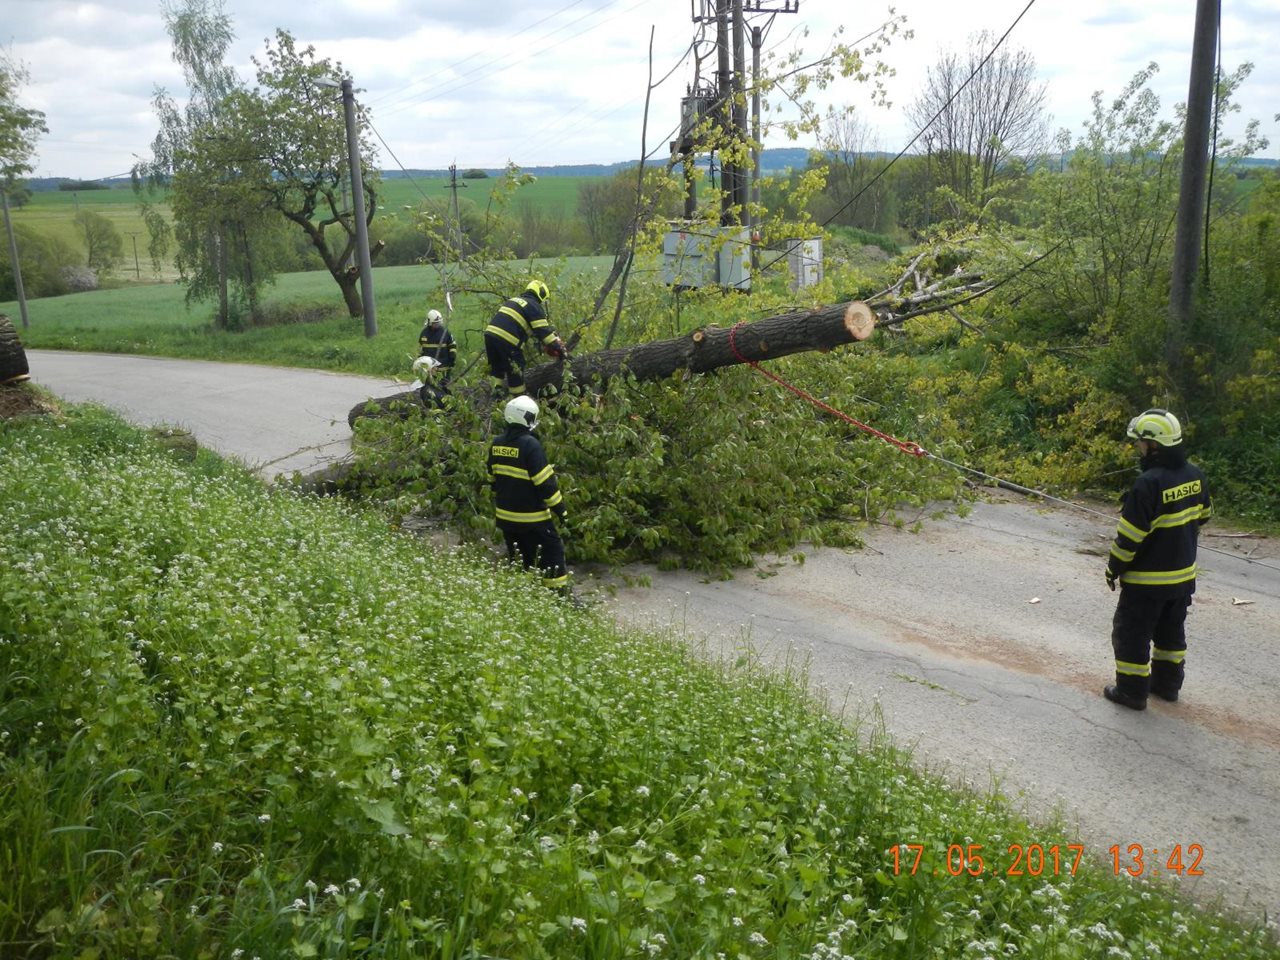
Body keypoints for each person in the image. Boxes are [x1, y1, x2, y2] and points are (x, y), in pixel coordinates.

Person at [1103, 408, 1212, 710]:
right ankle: (1167, 686)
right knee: (1170, 635)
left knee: (1131, 634)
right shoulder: (1195, 476)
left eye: (1140, 442)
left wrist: (1113, 569)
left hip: (1146, 584)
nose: (1138, 447)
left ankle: (1132, 692)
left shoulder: (1147, 484)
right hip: (1182, 579)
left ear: (1154, 445)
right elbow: (1204, 515)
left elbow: (1129, 539)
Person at [487, 395, 571, 596]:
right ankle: (559, 597)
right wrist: (561, 511)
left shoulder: (496, 444)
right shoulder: (530, 445)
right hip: (533, 519)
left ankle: (525, 595)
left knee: (521, 560)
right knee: (552, 555)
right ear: (526, 417)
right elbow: (545, 484)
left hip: (506, 519)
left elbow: (491, 480)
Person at [483, 279, 565, 398]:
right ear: (541, 295)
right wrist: (560, 350)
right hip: (508, 339)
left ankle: (495, 396)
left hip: (490, 336)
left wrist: (543, 344)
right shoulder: (534, 306)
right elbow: (544, 333)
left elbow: (530, 330)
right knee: (516, 368)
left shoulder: (514, 300)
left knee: (497, 369)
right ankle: (518, 398)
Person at [418, 308, 457, 384]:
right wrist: (419, 361)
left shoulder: (445, 332)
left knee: (444, 386)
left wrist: (452, 357)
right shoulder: (424, 334)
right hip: (430, 369)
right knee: (429, 386)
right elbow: (420, 349)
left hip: (444, 367)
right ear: (430, 322)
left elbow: (452, 345)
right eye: (435, 323)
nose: (437, 325)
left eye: (438, 323)